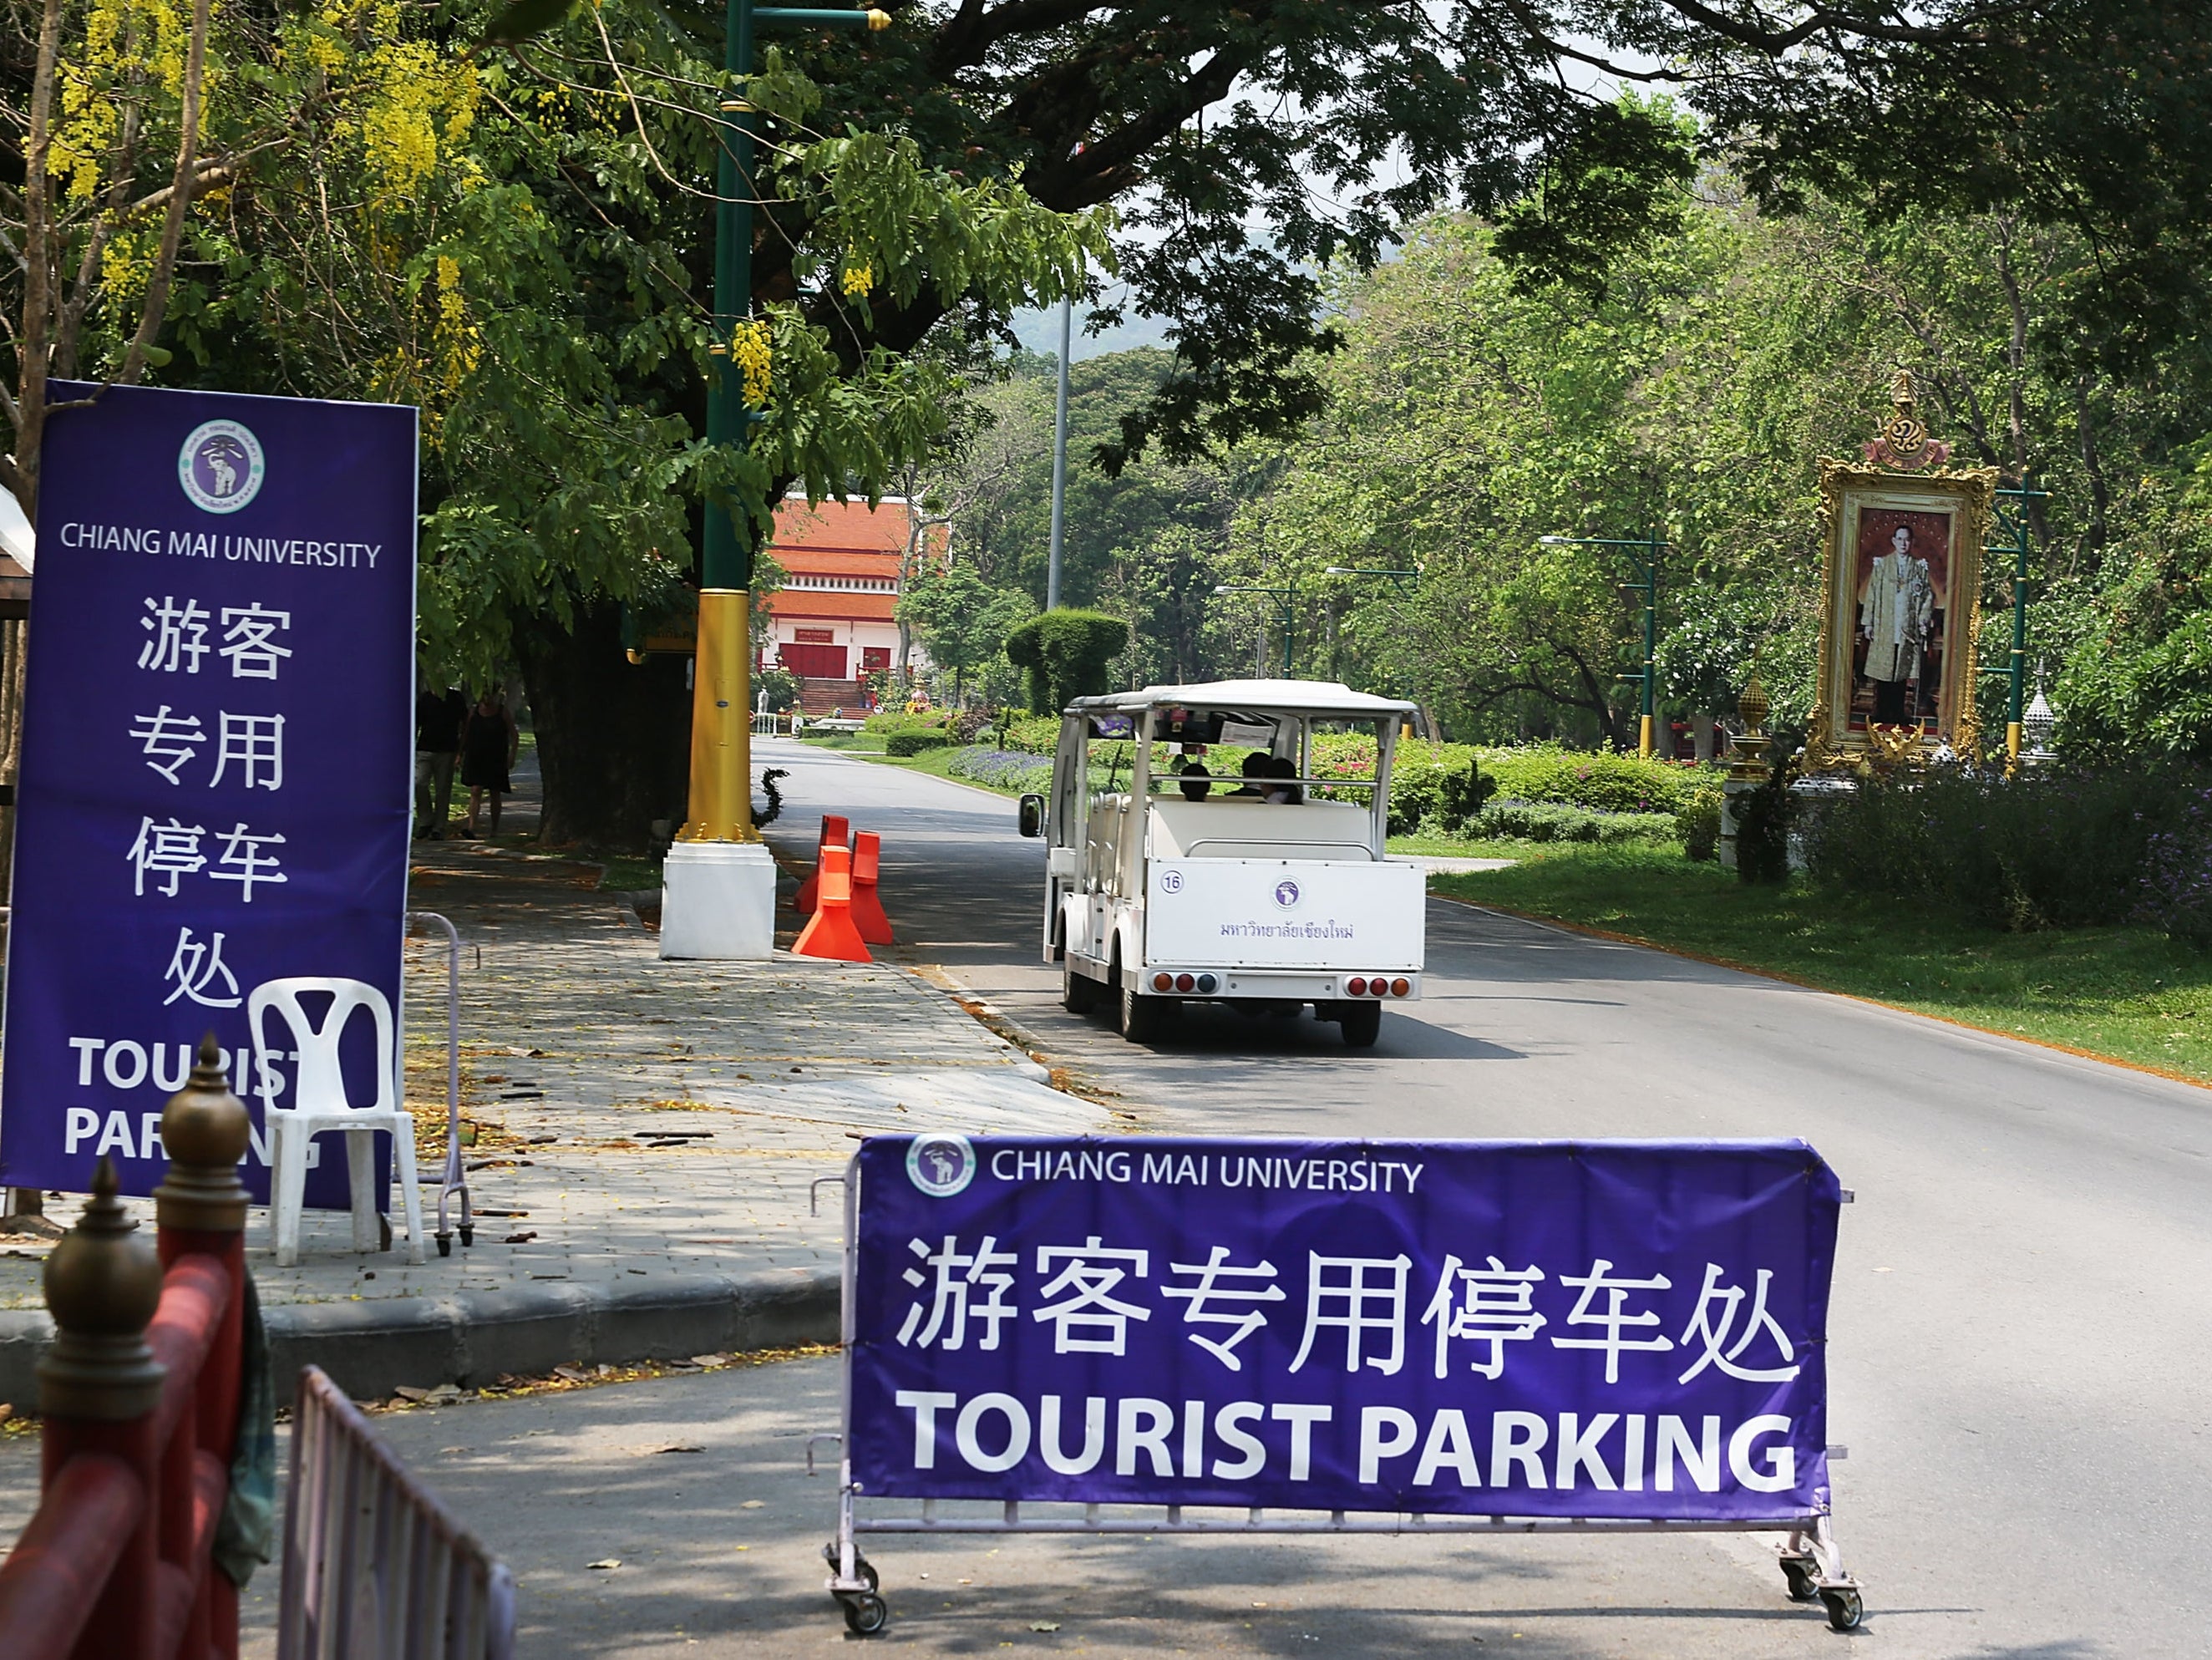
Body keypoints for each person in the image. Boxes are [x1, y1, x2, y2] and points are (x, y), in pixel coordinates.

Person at [1858, 523, 1936, 724]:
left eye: (1907, 539)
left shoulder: (1919, 567)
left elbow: (1927, 596)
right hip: (1885, 624)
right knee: (1884, 672)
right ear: (1894, 541)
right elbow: (1872, 594)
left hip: (1906, 627)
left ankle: (1898, 713)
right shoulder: (1882, 565)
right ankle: (1882, 712)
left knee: (1901, 671)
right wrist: (1868, 623)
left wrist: (1923, 620)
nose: (1903, 543)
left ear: (1911, 542)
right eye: (1899, 539)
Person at [461, 690, 520, 839]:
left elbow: (514, 735)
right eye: (484, 695)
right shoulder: (474, 712)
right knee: (476, 790)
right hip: (476, 756)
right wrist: (460, 754)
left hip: (496, 756)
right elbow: (466, 734)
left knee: (495, 791)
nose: (487, 698)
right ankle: (471, 827)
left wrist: (512, 755)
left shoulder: (502, 712)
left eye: (490, 695)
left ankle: (494, 829)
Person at [413, 681, 467, 838]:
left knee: (442, 790)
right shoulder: (424, 699)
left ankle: (439, 827)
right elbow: (416, 723)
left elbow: (466, 722)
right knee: (419, 783)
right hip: (424, 749)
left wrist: (460, 751)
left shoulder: (455, 698)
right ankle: (425, 821)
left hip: (447, 751)